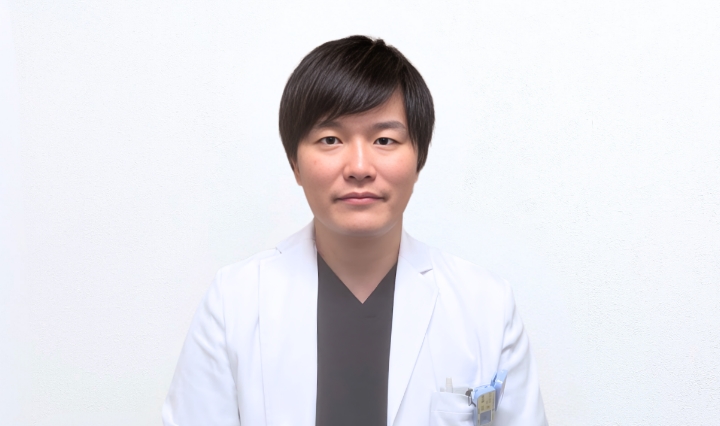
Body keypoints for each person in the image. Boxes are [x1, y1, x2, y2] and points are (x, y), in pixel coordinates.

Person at [162, 35, 547, 426]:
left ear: (419, 159)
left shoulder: (486, 306)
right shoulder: (234, 303)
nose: (359, 167)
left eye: (385, 140)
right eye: (330, 139)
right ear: (295, 163)